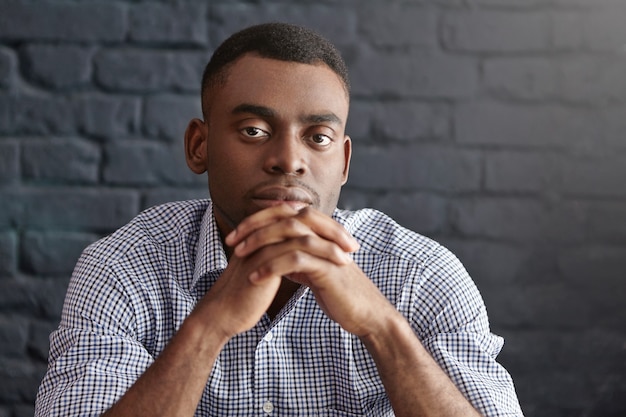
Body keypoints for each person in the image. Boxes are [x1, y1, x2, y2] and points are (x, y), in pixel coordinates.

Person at [35, 23, 523, 417]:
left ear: (345, 162)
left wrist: (381, 327)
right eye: (254, 130)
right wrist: (208, 326)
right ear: (198, 146)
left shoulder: (422, 275)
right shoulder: (124, 267)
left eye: (318, 137)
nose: (288, 159)